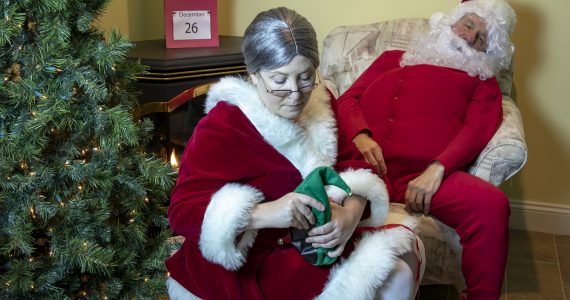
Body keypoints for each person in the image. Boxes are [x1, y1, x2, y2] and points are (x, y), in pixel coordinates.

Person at [165, 6, 425, 300]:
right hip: (253, 265)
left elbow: (356, 165)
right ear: (254, 75)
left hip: (314, 249)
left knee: (400, 271)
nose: (295, 93)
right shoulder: (223, 125)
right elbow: (182, 212)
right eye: (279, 80)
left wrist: (351, 214)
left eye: (305, 77)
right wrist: (264, 213)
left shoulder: (322, 103)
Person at [335, 0, 516, 299]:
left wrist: (438, 168)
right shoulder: (393, 58)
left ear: (488, 51)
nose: (469, 38)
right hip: (360, 166)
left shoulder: (482, 82)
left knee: (492, 205)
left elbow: (477, 130)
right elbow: (349, 99)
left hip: (423, 179)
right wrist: (361, 136)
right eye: (468, 25)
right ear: (449, 24)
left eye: (481, 37)